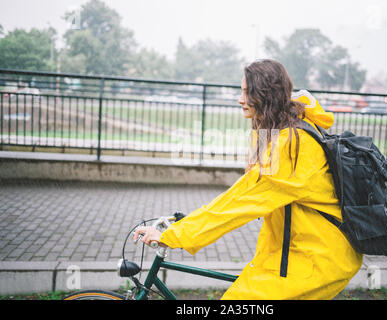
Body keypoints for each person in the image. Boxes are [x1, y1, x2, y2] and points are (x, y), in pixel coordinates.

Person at [133, 59, 363, 300]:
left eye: (247, 92)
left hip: (317, 257)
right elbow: (242, 192)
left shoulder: (291, 145)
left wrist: (175, 235)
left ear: (266, 95)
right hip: (294, 252)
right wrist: (185, 225)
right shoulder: (277, 131)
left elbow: (241, 203)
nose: (240, 99)